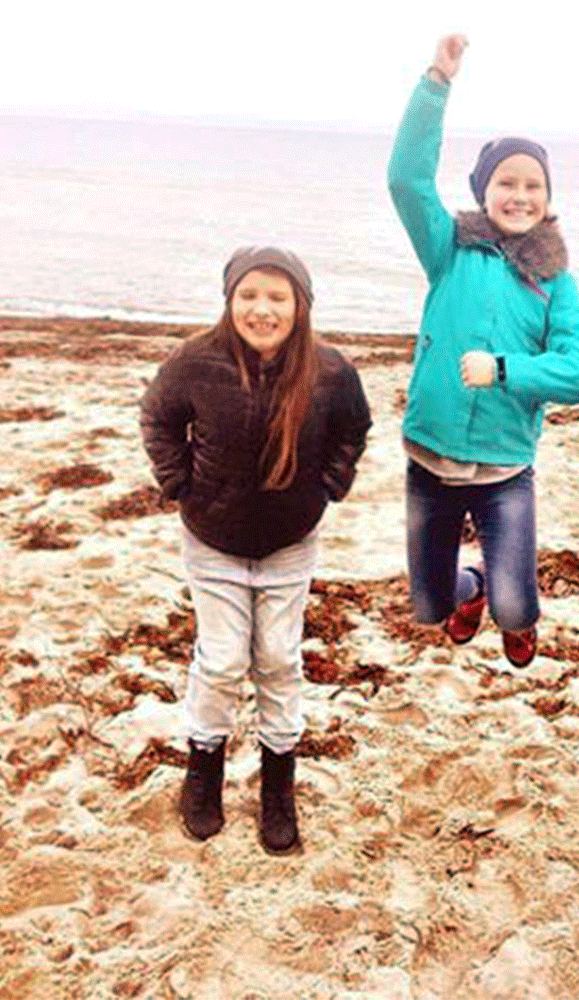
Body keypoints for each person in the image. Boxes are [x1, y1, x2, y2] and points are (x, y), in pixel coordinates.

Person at [140, 246, 371, 853]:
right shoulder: (194, 360)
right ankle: (203, 772)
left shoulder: (331, 370)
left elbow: (353, 427)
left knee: (278, 658)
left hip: (290, 541)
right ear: (229, 300)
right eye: (248, 295)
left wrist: (330, 484)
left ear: (300, 305)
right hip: (212, 538)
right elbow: (158, 418)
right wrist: (179, 483)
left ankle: (278, 785)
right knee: (220, 660)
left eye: (277, 297)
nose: (261, 310)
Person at [387, 34, 579, 668]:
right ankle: (472, 586)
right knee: (430, 606)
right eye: (507, 182)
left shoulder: (554, 281)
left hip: (505, 469)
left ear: (548, 199)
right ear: (485, 191)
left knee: (516, 609)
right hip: (429, 458)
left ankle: (505, 602)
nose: (520, 195)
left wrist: (506, 370)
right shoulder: (448, 249)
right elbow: (406, 179)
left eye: (534, 185)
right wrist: (436, 83)